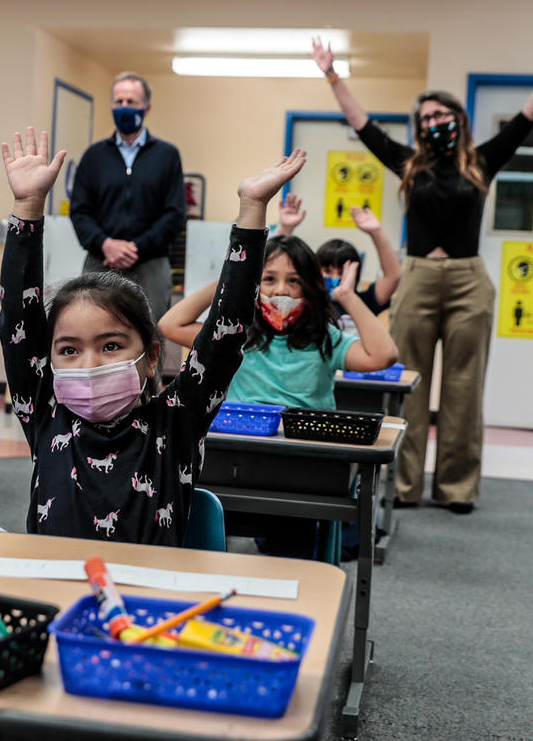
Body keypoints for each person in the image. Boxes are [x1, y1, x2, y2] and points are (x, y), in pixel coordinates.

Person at [0, 124, 306, 545]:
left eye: (110, 346)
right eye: (68, 350)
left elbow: (225, 332)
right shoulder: (44, 412)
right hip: (60, 600)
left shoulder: (177, 420)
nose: (88, 364)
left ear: (149, 356)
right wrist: (28, 205)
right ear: (47, 360)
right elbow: (17, 317)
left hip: (153, 605)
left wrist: (252, 210)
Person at [312, 37, 533, 513]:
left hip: (468, 281)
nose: (434, 122)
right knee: (407, 380)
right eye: (426, 117)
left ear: (459, 119)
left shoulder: (482, 161)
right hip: (416, 276)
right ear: (419, 127)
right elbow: (362, 124)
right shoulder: (409, 164)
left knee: (463, 386)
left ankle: (456, 488)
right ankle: (405, 486)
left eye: (441, 114)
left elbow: (526, 118)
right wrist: (332, 75)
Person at [159, 234, 397, 557]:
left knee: (291, 549)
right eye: (268, 279)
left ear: (310, 288)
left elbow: (383, 356)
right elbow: (170, 324)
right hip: (240, 466)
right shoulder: (236, 336)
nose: (281, 291)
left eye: (294, 281)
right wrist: (232, 277)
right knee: (204, 532)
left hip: (301, 474)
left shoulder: (326, 340)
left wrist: (347, 297)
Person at [69, 72, 185, 322]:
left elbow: (174, 214)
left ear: (147, 107)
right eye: (118, 101)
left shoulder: (166, 156)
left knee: (150, 334)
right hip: (101, 261)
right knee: (93, 328)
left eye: (131, 102)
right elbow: (80, 211)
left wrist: (137, 247)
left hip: (150, 264)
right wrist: (106, 244)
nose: (124, 107)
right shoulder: (94, 156)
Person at [278, 192, 402, 318]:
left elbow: (393, 277)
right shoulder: (303, 301)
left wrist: (376, 232)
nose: (335, 277)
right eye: (327, 271)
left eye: (342, 272)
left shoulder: (364, 303)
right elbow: (274, 267)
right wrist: (285, 229)